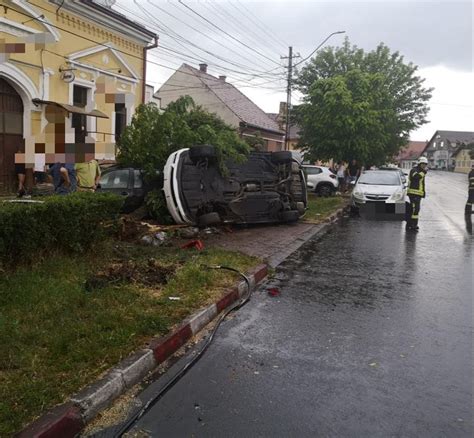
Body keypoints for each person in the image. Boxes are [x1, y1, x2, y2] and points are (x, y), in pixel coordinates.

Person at [405, 156, 428, 231]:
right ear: (419, 163)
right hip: (413, 193)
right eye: (423, 164)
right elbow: (416, 177)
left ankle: (414, 224)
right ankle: (411, 225)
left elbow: (421, 184)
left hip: (418, 194)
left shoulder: (421, 171)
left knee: (416, 209)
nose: (424, 165)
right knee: (414, 209)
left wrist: (423, 192)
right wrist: (424, 172)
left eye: (425, 164)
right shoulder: (414, 170)